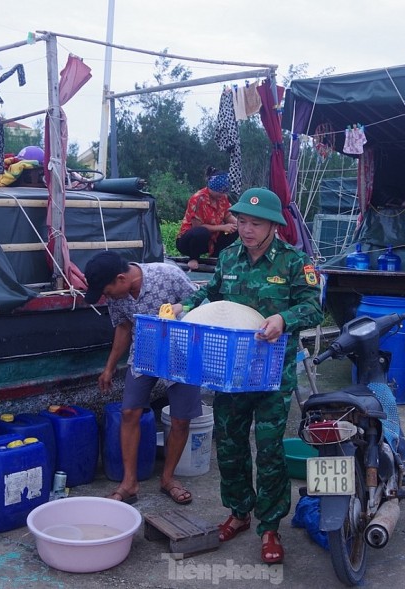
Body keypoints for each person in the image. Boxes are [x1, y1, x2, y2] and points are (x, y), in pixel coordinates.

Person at [173, 188, 323, 564]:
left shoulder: (293, 261)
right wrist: (183, 306)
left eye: (255, 223)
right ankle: (239, 512)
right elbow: (209, 294)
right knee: (231, 444)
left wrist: (283, 319)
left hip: (273, 373)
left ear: (273, 225)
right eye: (241, 222)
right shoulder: (228, 257)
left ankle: (269, 526)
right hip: (231, 370)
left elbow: (313, 308)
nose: (246, 229)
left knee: (270, 449)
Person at [83, 251, 202, 505]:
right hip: (144, 353)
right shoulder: (118, 295)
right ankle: (129, 483)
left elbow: (202, 302)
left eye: (106, 291)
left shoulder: (167, 275)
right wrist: (109, 367)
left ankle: (168, 479)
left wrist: (182, 311)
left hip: (183, 352)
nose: (107, 297)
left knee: (181, 419)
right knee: (129, 412)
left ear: (120, 278)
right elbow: (124, 327)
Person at [176, 167, 239, 270]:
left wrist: (241, 225)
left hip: (210, 241)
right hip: (189, 241)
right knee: (201, 232)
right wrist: (222, 227)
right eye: (220, 192)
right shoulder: (198, 199)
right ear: (212, 188)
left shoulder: (223, 198)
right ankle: (193, 258)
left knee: (236, 229)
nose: (222, 195)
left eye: (224, 192)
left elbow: (227, 216)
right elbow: (197, 227)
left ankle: (215, 255)